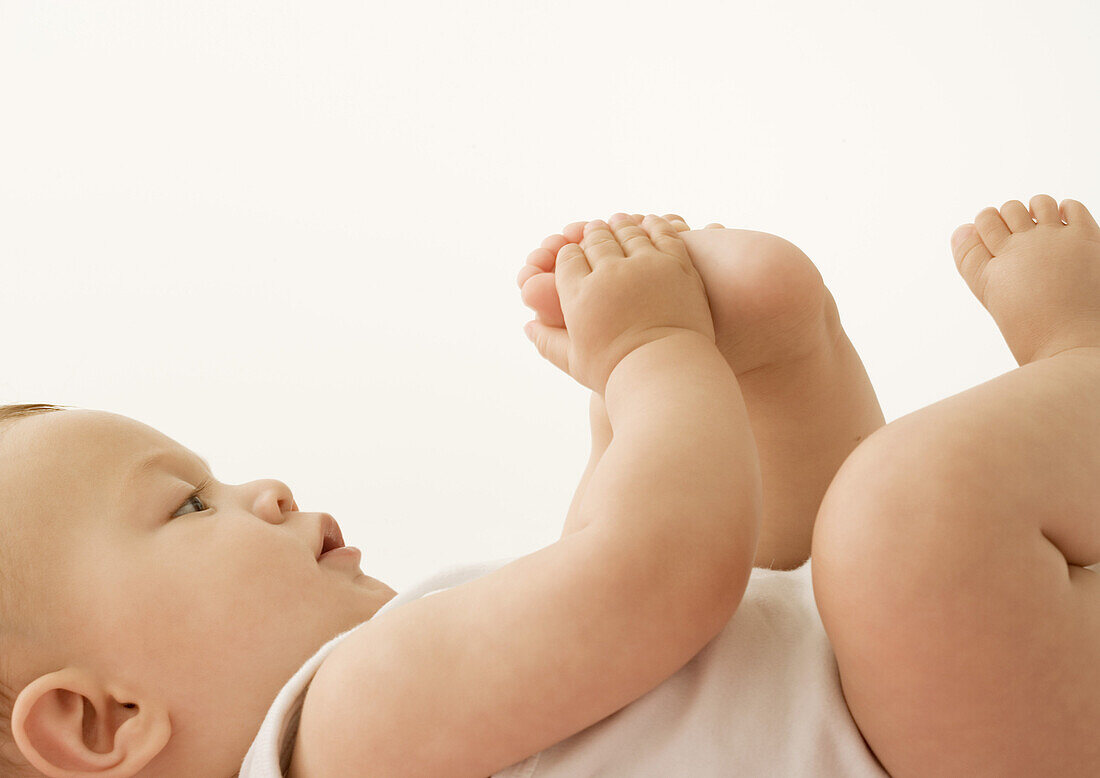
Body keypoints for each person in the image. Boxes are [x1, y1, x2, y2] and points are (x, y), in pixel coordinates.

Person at [0, 197, 1095, 776]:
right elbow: (657, 573)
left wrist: (633, 413)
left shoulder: (395, 723)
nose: (266, 487)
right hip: (936, 738)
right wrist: (648, 350)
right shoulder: (343, 719)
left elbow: (615, 630)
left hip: (860, 701)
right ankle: (1079, 364)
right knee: (898, 517)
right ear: (102, 723)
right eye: (189, 503)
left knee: (815, 569)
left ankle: (778, 364)